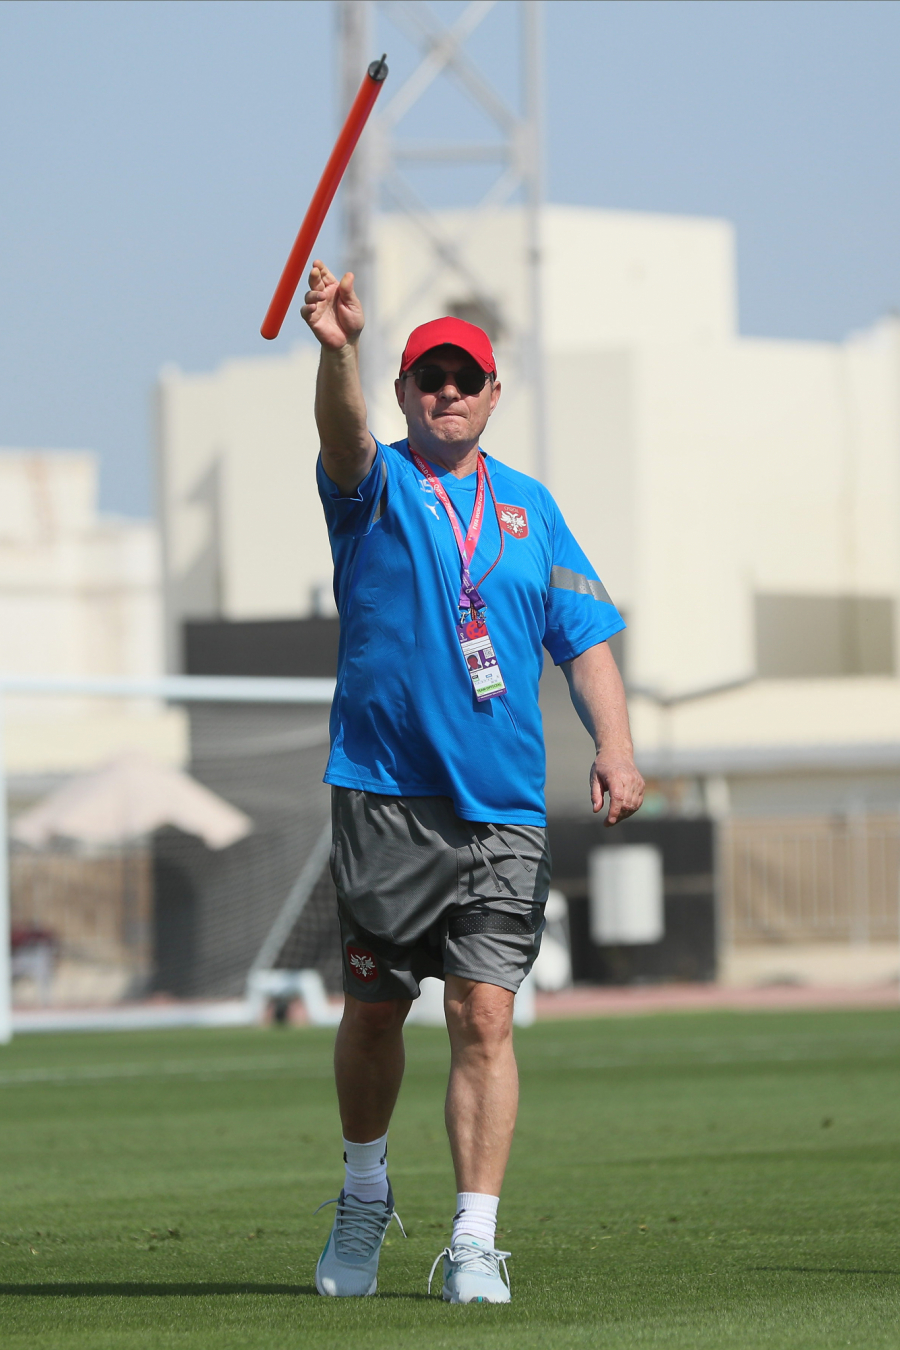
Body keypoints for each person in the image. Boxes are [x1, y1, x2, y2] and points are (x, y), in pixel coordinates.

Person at [303, 260, 644, 1304]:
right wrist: (339, 352)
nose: (447, 393)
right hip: (386, 797)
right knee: (374, 1012)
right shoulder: (374, 485)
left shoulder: (532, 510)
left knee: (484, 1016)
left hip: (504, 808)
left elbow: (584, 641)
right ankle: (365, 1192)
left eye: (466, 379)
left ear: (494, 395)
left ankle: (475, 1239)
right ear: (405, 392)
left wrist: (616, 745)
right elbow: (342, 437)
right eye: (429, 378)